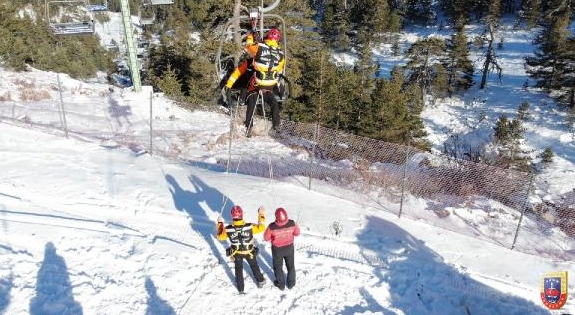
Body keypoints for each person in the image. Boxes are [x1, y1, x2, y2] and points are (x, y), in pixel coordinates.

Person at [223, 28, 286, 135]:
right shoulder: (280, 54)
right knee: (261, 103)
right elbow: (279, 67)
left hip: (261, 86)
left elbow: (249, 47)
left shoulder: (257, 50)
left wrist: (250, 36)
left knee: (264, 104)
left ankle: (264, 126)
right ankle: (257, 126)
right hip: (262, 87)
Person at [216, 205, 267, 293]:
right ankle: (260, 281)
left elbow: (220, 236)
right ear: (242, 215)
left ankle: (240, 288)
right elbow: (262, 227)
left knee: (238, 270)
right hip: (249, 252)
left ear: (232, 216)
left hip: (237, 253)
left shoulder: (228, 229)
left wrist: (220, 223)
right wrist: (261, 214)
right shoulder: (250, 227)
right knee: (254, 266)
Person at [263, 207, 300, 291]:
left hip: (277, 250)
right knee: (290, 266)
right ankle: (291, 284)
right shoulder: (292, 223)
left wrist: (273, 238)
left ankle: (281, 285)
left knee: (278, 267)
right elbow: (297, 233)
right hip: (289, 248)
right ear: (286, 215)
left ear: (276, 217)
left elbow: (266, 238)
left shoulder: (272, 226)